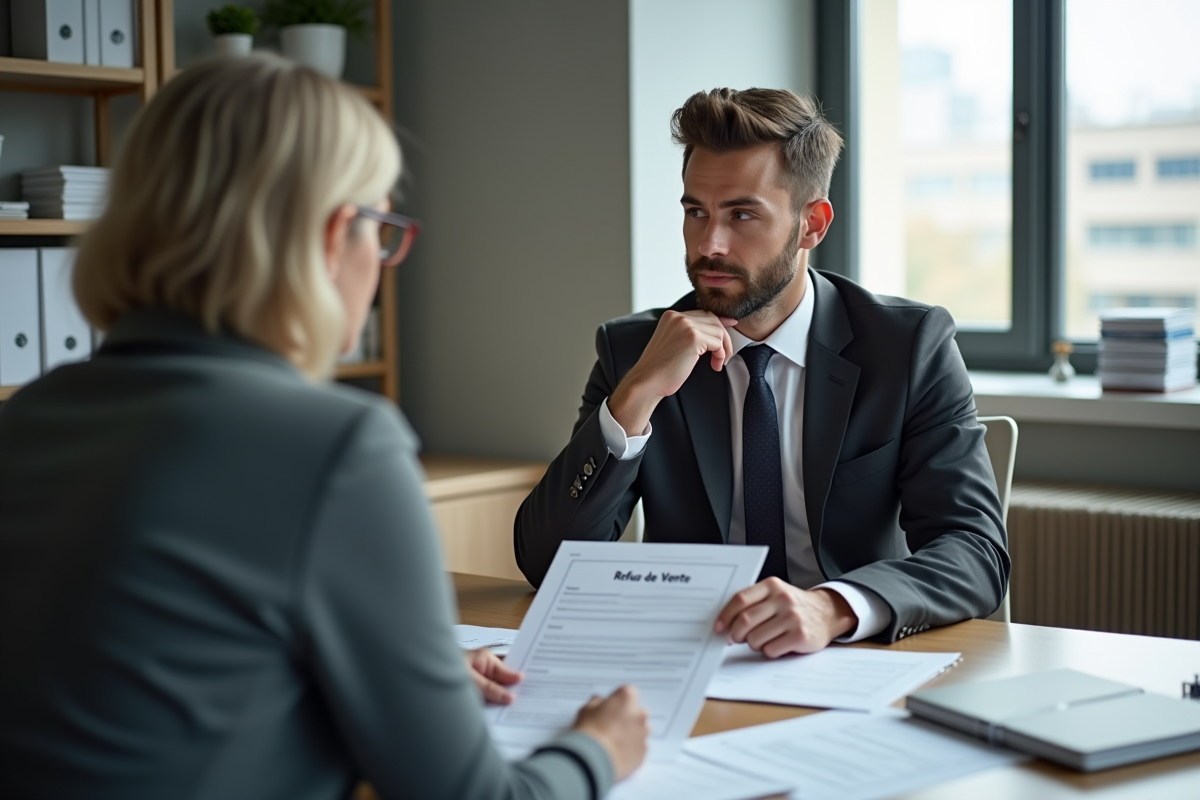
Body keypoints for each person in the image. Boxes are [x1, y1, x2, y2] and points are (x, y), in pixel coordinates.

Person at [0, 54, 647, 800]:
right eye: (382, 228)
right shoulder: (339, 446)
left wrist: (404, 683)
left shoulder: (31, 418)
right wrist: (598, 749)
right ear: (338, 233)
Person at [515, 88, 1009, 656]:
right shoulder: (635, 351)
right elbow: (546, 563)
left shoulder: (906, 347)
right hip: (694, 661)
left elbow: (975, 552)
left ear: (812, 225)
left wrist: (832, 606)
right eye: (695, 211)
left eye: (742, 214)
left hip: (854, 657)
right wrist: (636, 398)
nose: (708, 244)